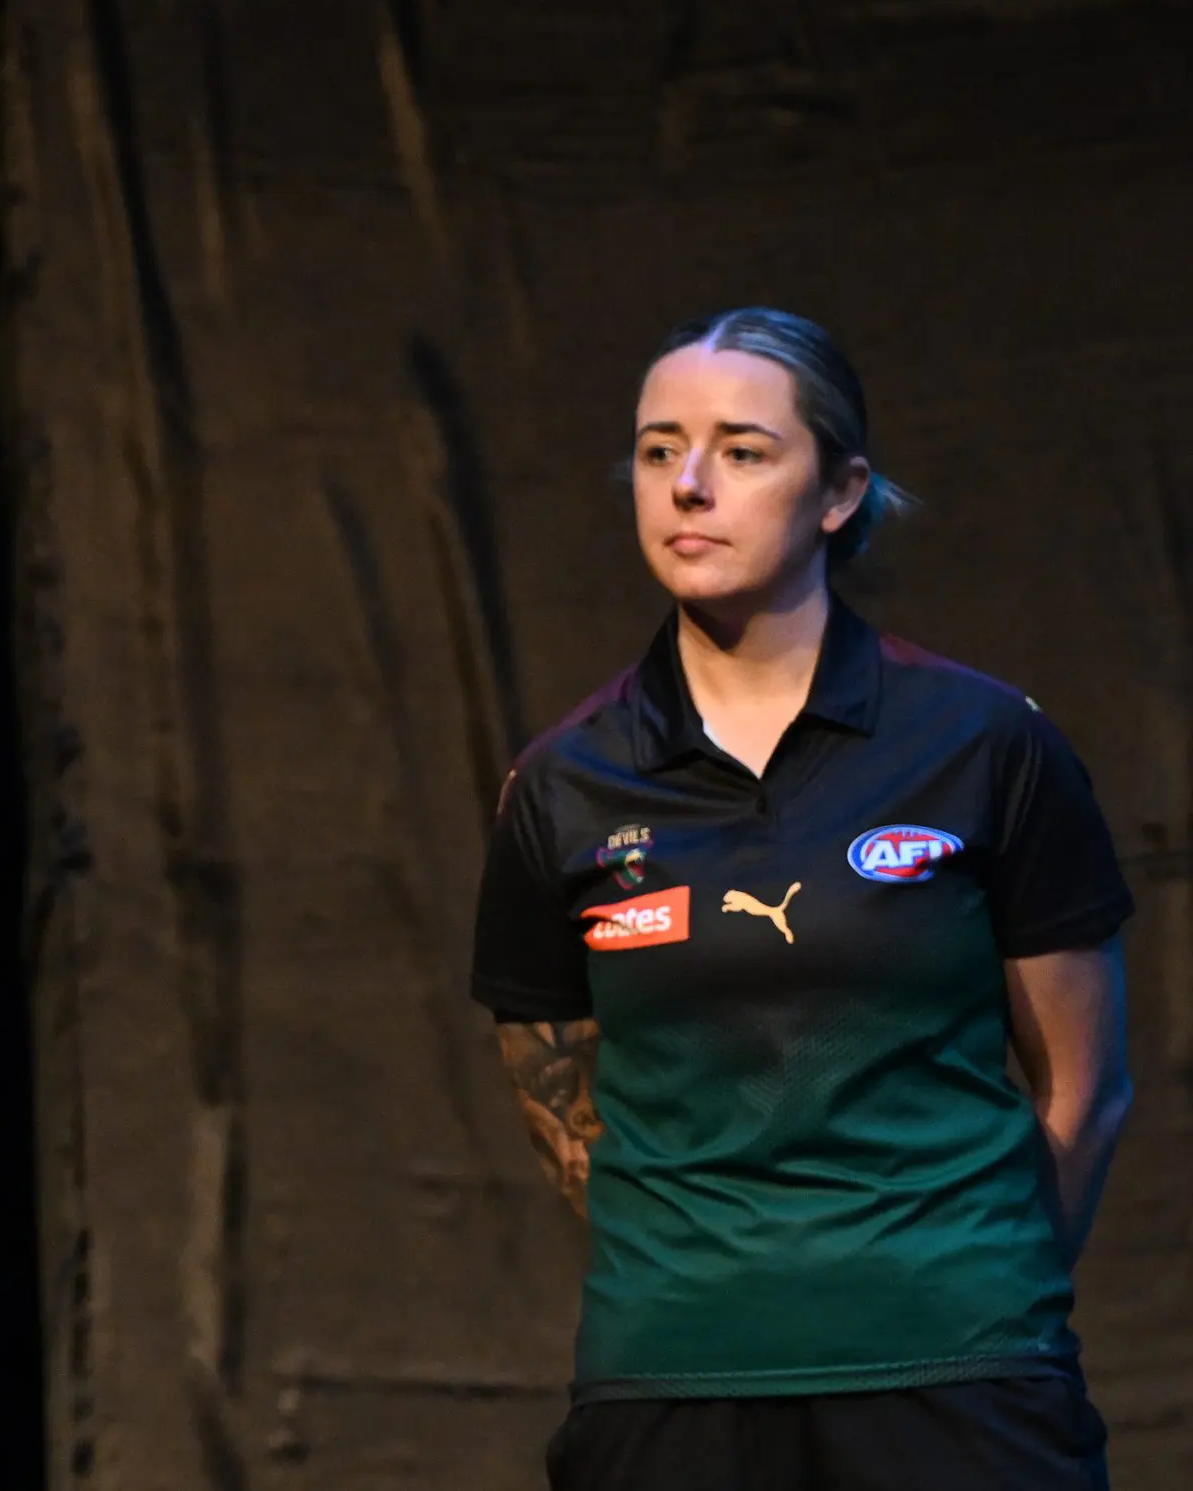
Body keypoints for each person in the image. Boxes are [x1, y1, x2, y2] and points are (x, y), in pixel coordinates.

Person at [469, 309, 1132, 1490]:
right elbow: (559, 1101)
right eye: (657, 448)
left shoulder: (983, 744)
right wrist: (719, 1280)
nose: (686, 486)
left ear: (838, 492)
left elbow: (1083, 1085)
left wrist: (972, 1290)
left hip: (961, 1382)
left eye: (741, 450)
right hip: (672, 1385)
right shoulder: (563, 784)